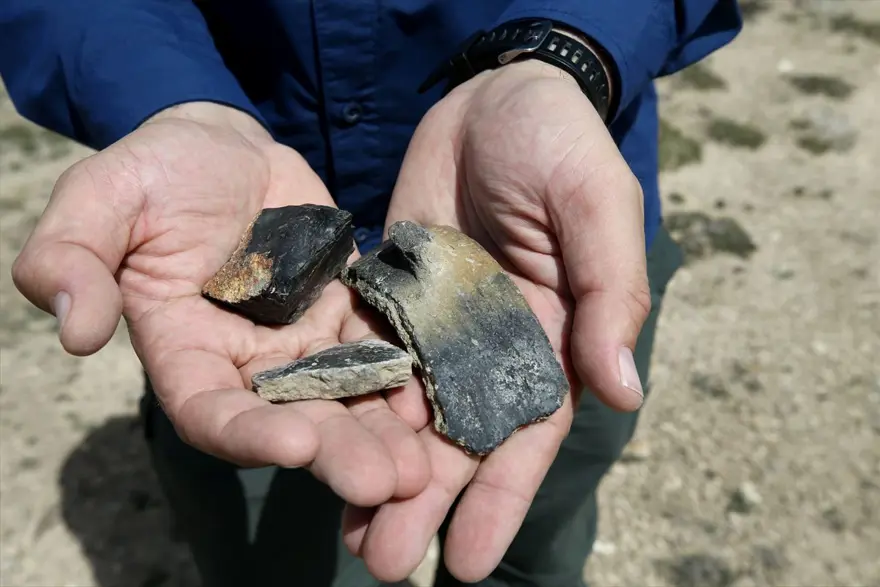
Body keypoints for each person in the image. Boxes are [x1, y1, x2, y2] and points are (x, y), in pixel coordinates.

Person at [0, 2, 742, 586]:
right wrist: (169, 99)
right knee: (283, 565)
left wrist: (562, 54)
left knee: (530, 549)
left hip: (542, 239)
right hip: (241, 168)